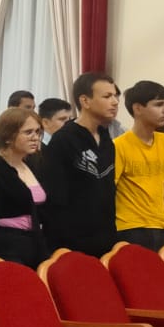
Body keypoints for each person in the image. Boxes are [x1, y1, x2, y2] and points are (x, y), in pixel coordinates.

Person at [44, 72, 120, 257]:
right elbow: (55, 197)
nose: (115, 102)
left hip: (105, 238)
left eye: (115, 96)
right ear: (85, 101)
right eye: (107, 96)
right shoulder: (64, 140)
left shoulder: (106, 139)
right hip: (71, 242)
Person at [113, 80, 164, 250]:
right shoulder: (118, 146)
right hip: (128, 227)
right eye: (159, 104)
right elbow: (109, 190)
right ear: (138, 108)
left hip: (161, 226)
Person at [0, 107, 51, 267]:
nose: (35, 138)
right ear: (8, 137)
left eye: (38, 132)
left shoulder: (33, 164)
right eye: (28, 132)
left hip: (36, 244)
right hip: (6, 249)